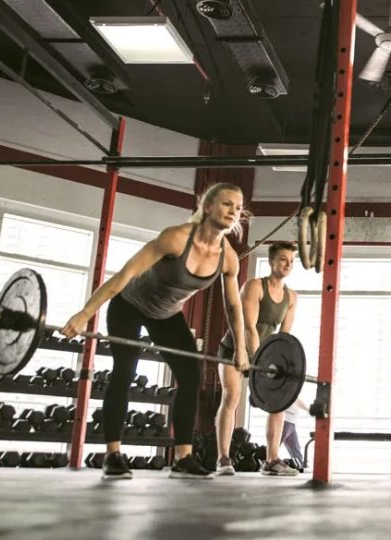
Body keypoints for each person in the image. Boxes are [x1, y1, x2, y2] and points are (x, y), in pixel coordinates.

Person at [61, 182, 250, 480]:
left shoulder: (228, 258)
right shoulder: (175, 238)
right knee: (125, 368)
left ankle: (183, 459)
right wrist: (86, 313)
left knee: (190, 375)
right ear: (208, 205)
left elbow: (234, 308)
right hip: (129, 305)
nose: (233, 212)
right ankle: (113, 454)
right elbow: (125, 275)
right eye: (227, 204)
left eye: (238, 208)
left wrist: (241, 349)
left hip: (167, 315)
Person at [214, 242, 299, 476]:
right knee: (232, 397)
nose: (288, 264)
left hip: (265, 354)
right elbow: (249, 328)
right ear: (272, 262)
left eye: (291, 261)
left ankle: (271, 460)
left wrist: (280, 364)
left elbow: (284, 336)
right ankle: (223, 458)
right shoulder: (254, 287)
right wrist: (256, 361)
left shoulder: (291, 296)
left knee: (278, 403)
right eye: (283, 259)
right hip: (234, 348)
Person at [280, 398, 310, 472]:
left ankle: (300, 466)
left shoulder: (293, 392)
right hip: (285, 422)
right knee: (275, 445)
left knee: (296, 449)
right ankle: (266, 462)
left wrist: (309, 410)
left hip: (292, 423)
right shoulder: (285, 390)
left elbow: (296, 400)